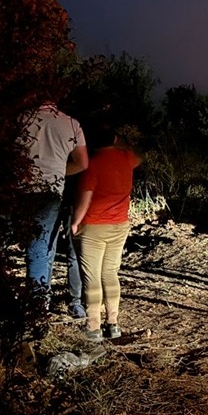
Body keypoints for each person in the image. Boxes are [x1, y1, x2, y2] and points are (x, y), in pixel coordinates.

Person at [70, 128, 141, 342]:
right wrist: (123, 143)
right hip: (119, 224)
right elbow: (138, 155)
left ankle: (93, 326)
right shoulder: (126, 158)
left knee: (92, 277)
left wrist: (75, 222)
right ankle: (113, 323)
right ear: (114, 138)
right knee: (110, 273)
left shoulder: (92, 164)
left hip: (93, 226)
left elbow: (86, 197)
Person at [22, 101, 89, 312]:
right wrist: (59, 172)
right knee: (43, 251)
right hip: (52, 194)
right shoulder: (71, 124)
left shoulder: (20, 119)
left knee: (5, 248)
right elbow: (83, 163)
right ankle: (40, 308)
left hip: (19, 190)